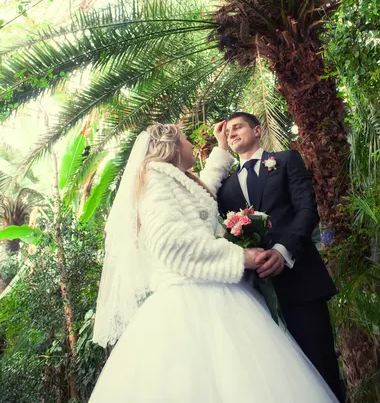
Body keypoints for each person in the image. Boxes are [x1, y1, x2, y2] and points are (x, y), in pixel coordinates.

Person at [89, 122, 339, 402]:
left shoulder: (174, 179)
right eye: (186, 139)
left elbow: (202, 194)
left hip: (225, 291)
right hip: (190, 301)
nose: (193, 145)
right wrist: (241, 257)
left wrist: (221, 150)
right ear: (171, 146)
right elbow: (171, 242)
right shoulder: (155, 180)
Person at [218, 112, 344, 402]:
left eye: (238, 127)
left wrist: (281, 251)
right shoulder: (226, 188)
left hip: (301, 282)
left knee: (320, 365)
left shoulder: (286, 160)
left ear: (258, 130)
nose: (232, 133)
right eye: (227, 132)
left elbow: (307, 210)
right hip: (257, 295)